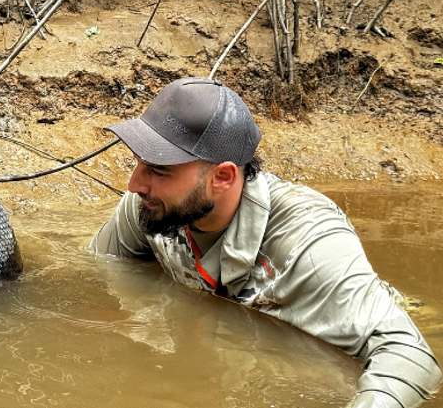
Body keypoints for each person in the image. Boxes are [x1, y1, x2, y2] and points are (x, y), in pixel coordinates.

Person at [90, 77, 442, 407]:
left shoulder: (309, 240)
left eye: (159, 170)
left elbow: (412, 358)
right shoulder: (154, 207)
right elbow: (96, 268)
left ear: (223, 176)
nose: (135, 184)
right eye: (137, 163)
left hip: (369, 310)